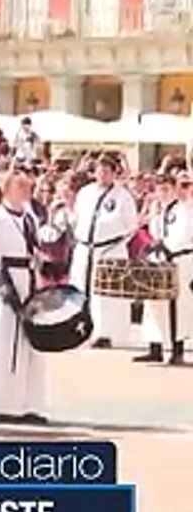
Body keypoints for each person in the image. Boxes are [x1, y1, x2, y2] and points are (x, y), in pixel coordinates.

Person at [0, 168, 50, 424]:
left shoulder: (29, 217)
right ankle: (3, 404)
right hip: (9, 285)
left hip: (30, 281)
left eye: (28, 186)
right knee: (5, 344)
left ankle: (28, 403)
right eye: (21, 186)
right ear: (7, 189)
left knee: (31, 345)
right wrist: (2, 287)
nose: (27, 191)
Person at [70, 153, 138, 348]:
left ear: (114, 173)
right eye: (100, 170)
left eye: (107, 171)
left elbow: (130, 225)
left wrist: (116, 244)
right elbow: (78, 218)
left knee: (106, 295)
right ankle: (80, 329)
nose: (103, 174)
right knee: (81, 288)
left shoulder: (123, 196)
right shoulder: (85, 193)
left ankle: (105, 333)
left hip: (110, 248)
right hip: (85, 247)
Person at [137, 172, 193, 365]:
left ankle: (177, 350)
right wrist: (152, 247)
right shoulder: (159, 211)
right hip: (159, 261)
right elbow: (153, 232)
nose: (163, 193)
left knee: (178, 305)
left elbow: (183, 235)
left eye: (166, 189)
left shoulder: (185, 209)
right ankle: (155, 347)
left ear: (175, 189)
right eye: (160, 189)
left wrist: (163, 244)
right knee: (153, 304)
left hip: (178, 260)